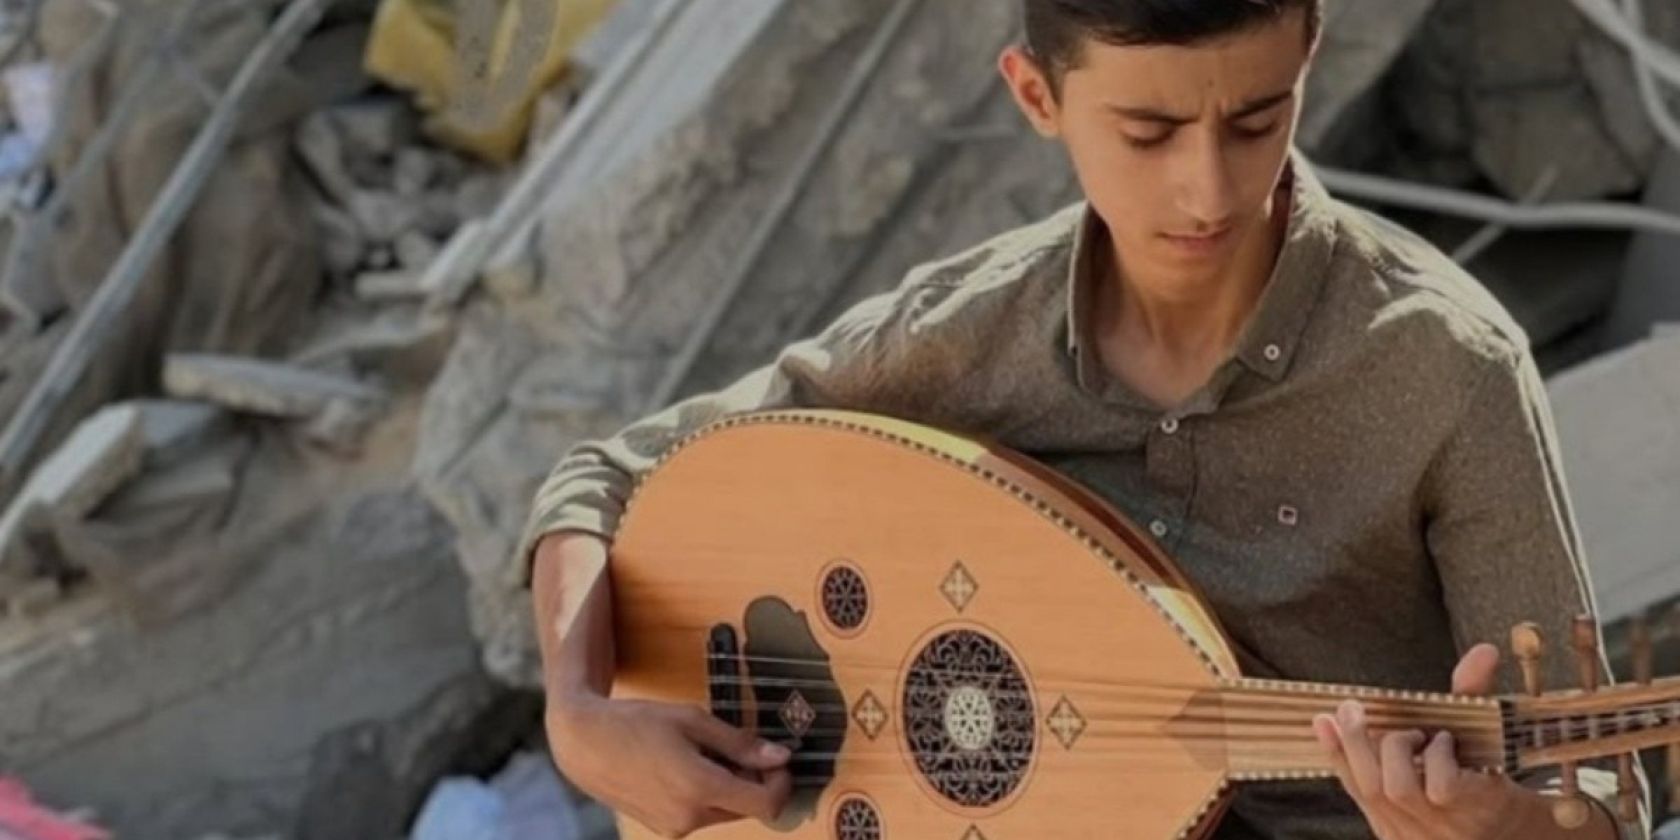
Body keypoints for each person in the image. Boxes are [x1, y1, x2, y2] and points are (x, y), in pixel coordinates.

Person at [518, 1, 1651, 838]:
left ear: (1311, 48)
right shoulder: (971, 330)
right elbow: (610, 478)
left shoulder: (1445, 368)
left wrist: (1491, 825)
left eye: (1255, 121)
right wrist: (579, 715)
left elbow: (1599, 798)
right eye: (1149, 134)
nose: (1208, 191)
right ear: (1036, 97)